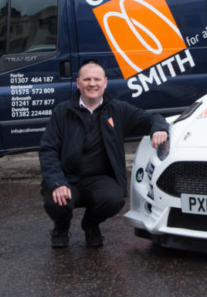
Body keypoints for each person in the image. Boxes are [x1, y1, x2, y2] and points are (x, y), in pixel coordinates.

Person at [39, 62, 168, 248]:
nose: (92, 84)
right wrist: (57, 182)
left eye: (97, 79)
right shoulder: (62, 112)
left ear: (105, 83)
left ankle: (90, 224)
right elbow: (47, 150)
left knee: (114, 199)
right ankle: (61, 225)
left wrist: (160, 129)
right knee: (55, 200)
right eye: (87, 79)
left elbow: (151, 118)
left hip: (99, 179)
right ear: (78, 83)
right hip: (67, 178)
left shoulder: (117, 110)